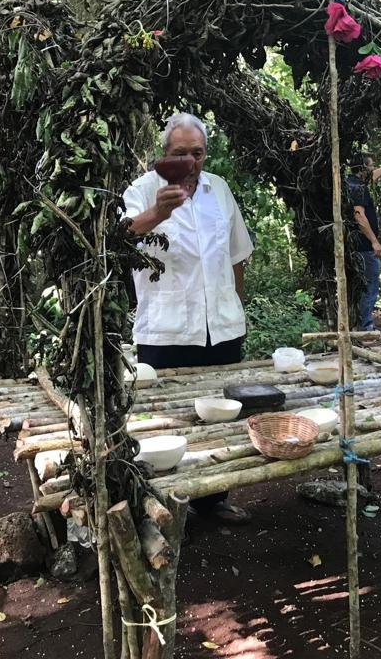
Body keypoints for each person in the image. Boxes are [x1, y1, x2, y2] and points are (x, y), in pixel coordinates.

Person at [123, 112, 253, 524]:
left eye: (197, 153)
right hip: (166, 330)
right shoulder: (143, 190)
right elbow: (120, 240)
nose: (190, 162)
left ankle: (213, 500)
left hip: (221, 327)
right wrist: (156, 215)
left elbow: (236, 256)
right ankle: (166, 508)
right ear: (164, 154)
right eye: (180, 154)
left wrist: (235, 307)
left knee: (222, 415)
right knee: (166, 421)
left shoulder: (219, 190)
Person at [346, 153, 381, 331]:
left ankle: (358, 324)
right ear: (362, 169)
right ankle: (365, 328)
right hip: (364, 246)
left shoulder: (350, 183)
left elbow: (372, 177)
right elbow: (359, 217)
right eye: (370, 166)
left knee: (360, 286)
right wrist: (374, 242)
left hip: (354, 246)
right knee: (370, 285)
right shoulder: (358, 189)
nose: (373, 170)